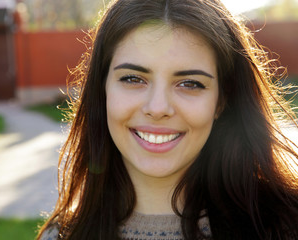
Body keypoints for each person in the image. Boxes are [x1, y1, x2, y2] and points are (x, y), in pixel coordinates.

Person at [37, 0, 298, 239]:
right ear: (101, 89)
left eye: (189, 83)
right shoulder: (62, 236)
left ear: (221, 101)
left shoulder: (286, 227)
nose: (158, 108)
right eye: (133, 79)